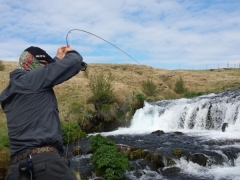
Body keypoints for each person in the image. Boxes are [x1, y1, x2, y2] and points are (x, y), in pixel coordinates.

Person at [0, 45, 87, 180]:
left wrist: (57, 59)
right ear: (30, 62)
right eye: (43, 64)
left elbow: (44, 73)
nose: (45, 69)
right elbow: (74, 62)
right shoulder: (31, 81)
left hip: (16, 171)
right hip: (46, 166)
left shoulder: (10, 91)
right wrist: (71, 52)